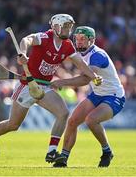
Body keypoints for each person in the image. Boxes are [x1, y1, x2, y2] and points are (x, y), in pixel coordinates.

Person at [0, 15, 102, 165]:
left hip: (44, 87)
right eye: (65, 26)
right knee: (13, 125)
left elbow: (80, 64)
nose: (68, 30)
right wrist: (23, 53)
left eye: (69, 27)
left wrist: (93, 76)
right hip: (26, 86)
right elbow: (26, 40)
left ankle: (51, 151)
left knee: (63, 113)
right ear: (55, 27)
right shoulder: (45, 37)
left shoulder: (68, 45)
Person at [51, 26, 125, 167]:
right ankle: (63, 158)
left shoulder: (97, 55)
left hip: (114, 96)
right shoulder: (78, 53)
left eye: (83, 39)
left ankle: (107, 151)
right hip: (97, 95)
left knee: (91, 120)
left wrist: (61, 82)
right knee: (72, 121)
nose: (78, 42)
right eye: (77, 39)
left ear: (91, 40)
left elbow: (86, 79)